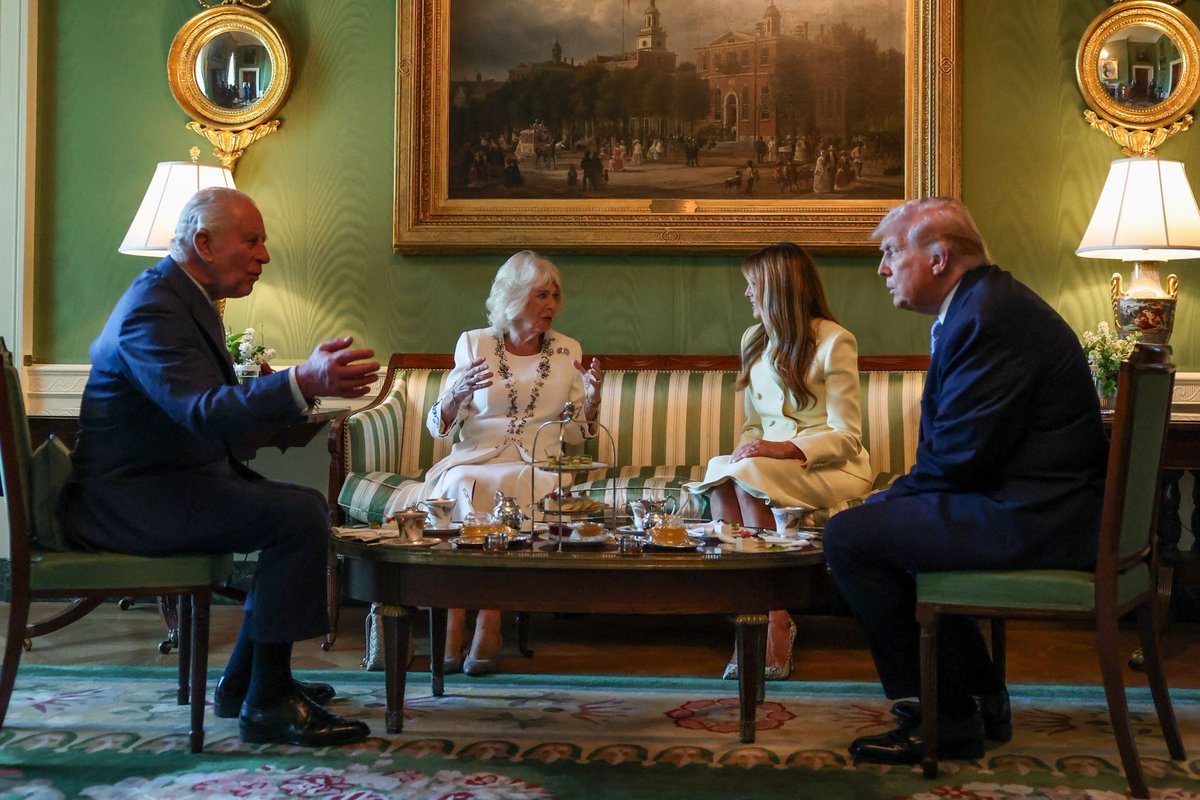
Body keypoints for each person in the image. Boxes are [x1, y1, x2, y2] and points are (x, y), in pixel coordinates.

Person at [60, 188, 380, 747]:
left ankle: (245, 685)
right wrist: (300, 383)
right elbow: (201, 412)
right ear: (204, 243)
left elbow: (205, 413)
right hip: (130, 504)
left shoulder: (183, 298)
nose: (264, 255)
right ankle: (268, 700)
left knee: (297, 509)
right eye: (251, 241)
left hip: (164, 487)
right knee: (298, 514)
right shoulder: (153, 309)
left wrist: (296, 398)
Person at [822, 197, 1107, 765]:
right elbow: (965, 452)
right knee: (883, 527)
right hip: (1034, 504)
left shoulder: (987, 317)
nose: (882, 268)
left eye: (890, 253)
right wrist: (896, 502)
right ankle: (977, 695)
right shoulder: (985, 305)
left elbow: (957, 457)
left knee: (850, 537)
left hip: (1035, 518)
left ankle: (943, 717)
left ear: (937, 257)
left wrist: (886, 500)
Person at [394, 250, 603, 677]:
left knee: (519, 481)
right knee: (461, 483)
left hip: (537, 461)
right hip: (474, 455)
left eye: (555, 295)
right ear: (513, 297)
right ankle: (452, 618)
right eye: (541, 294)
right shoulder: (474, 343)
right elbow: (440, 426)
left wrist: (594, 403)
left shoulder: (568, 350)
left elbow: (579, 434)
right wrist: (452, 397)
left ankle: (490, 619)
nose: (551, 304)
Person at [687, 243, 873, 680]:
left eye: (753, 286)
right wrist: (745, 451)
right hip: (767, 466)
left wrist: (782, 450)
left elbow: (848, 436)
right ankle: (755, 614)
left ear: (778, 288)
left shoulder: (834, 340)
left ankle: (773, 621)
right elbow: (754, 427)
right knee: (725, 474)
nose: (747, 294)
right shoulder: (753, 340)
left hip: (829, 467)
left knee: (750, 475)